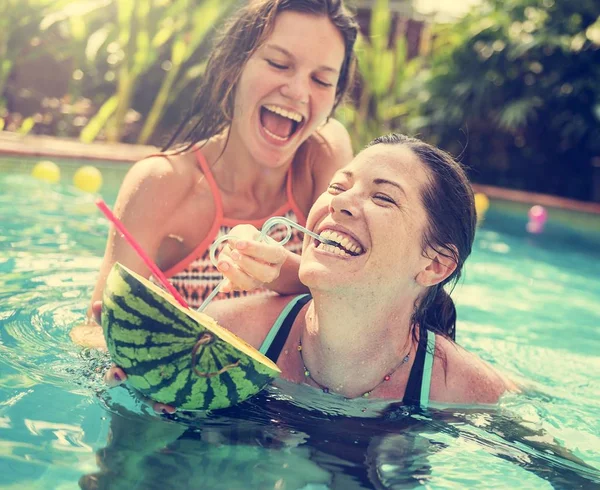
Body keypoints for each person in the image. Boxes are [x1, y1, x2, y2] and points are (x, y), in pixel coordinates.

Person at [93, 133, 518, 410]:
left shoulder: (464, 390)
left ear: (435, 264)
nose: (339, 202)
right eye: (337, 187)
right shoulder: (231, 337)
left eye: (383, 198)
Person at [84, 0, 357, 322]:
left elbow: (353, 291)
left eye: (322, 81)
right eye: (278, 63)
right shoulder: (161, 183)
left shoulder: (323, 154)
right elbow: (100, 330)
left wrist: (277, 269)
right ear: (234, 66)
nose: (298, 91)